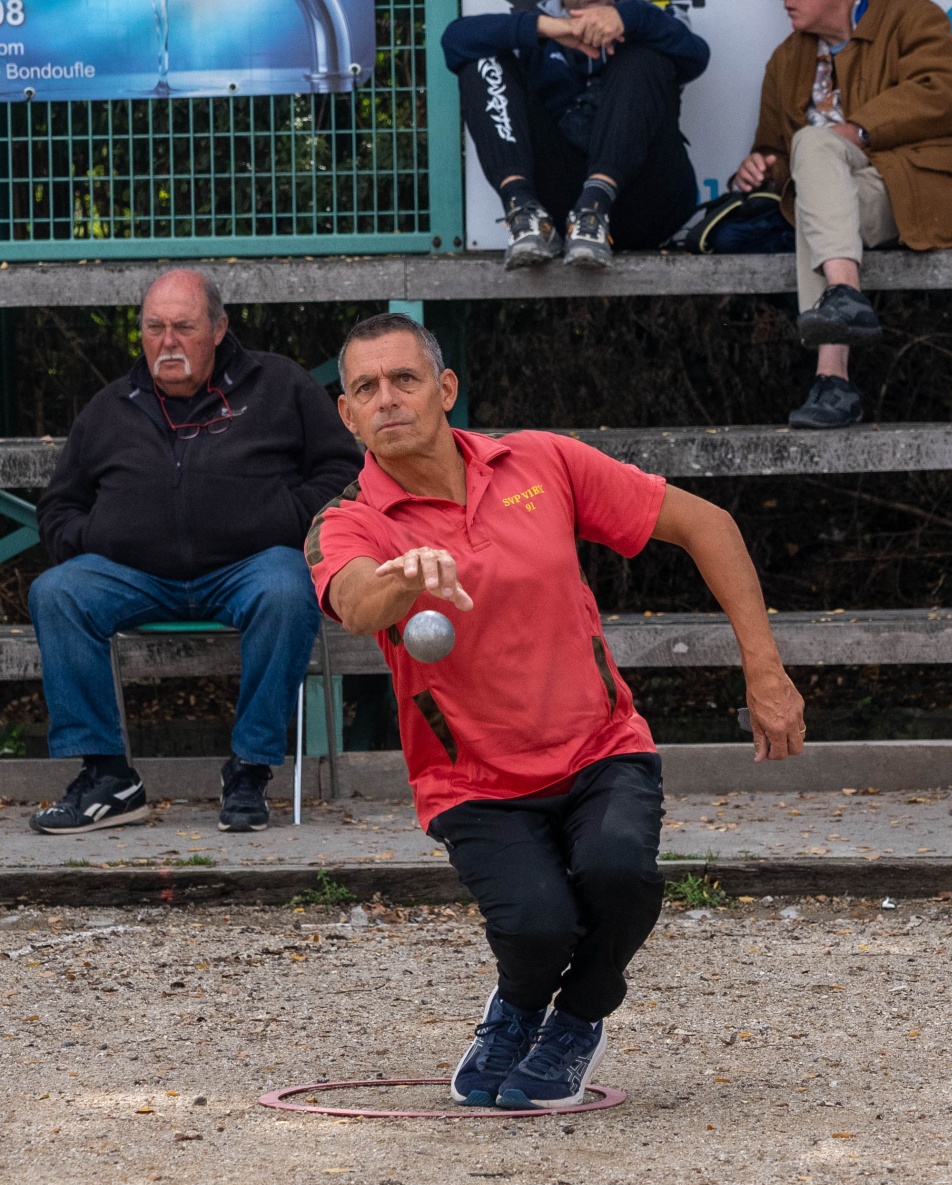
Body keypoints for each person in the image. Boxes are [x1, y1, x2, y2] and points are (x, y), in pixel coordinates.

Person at [307, 312, 805, 1109]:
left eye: (404, 378)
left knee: (620, 873)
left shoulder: (539, 460)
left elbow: (706, 524)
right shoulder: (347, 519)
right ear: (347, 413)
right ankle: (517, 1005)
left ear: (445, 388)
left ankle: (576, 1018)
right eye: (365, 388)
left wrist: (765, 668)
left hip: (598, 746)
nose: (387, 399)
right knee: (538, 925)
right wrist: (404, 577)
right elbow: (356, 601)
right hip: (472, 780)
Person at [28, 269, 360, 835]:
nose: (168, 341)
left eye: (183, 327)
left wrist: (282, 517)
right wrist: (96, 536)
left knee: (287, 588)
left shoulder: (278, 384)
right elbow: (59, 506)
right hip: (135, 575)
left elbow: (341, 472)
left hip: (250, 567)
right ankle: (108, 778)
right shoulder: (111, 407)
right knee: (55, 592)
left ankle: (249, 771)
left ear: (219, 328)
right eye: (154, 327)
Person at [733, 0, 952, 429]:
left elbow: (944, 89)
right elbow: (775, 150)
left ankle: (833, 374)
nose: (784, 1)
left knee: (813, 150)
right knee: (813, 190)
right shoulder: (786, 58)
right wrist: (760, 166)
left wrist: (860, 129)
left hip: (912, 187)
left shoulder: (911, 15)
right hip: (841, 203)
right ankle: (843, 311)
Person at [441, 0, 709, 270]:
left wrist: (626, 18)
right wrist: (547, 28)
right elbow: (455, 39)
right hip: (562, 209)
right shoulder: (538, 18)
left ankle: (595, 204)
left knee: (645, 51)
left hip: (647, 203)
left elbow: (696, 55)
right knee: (483, 58)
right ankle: (523, 212)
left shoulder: (645, 14)